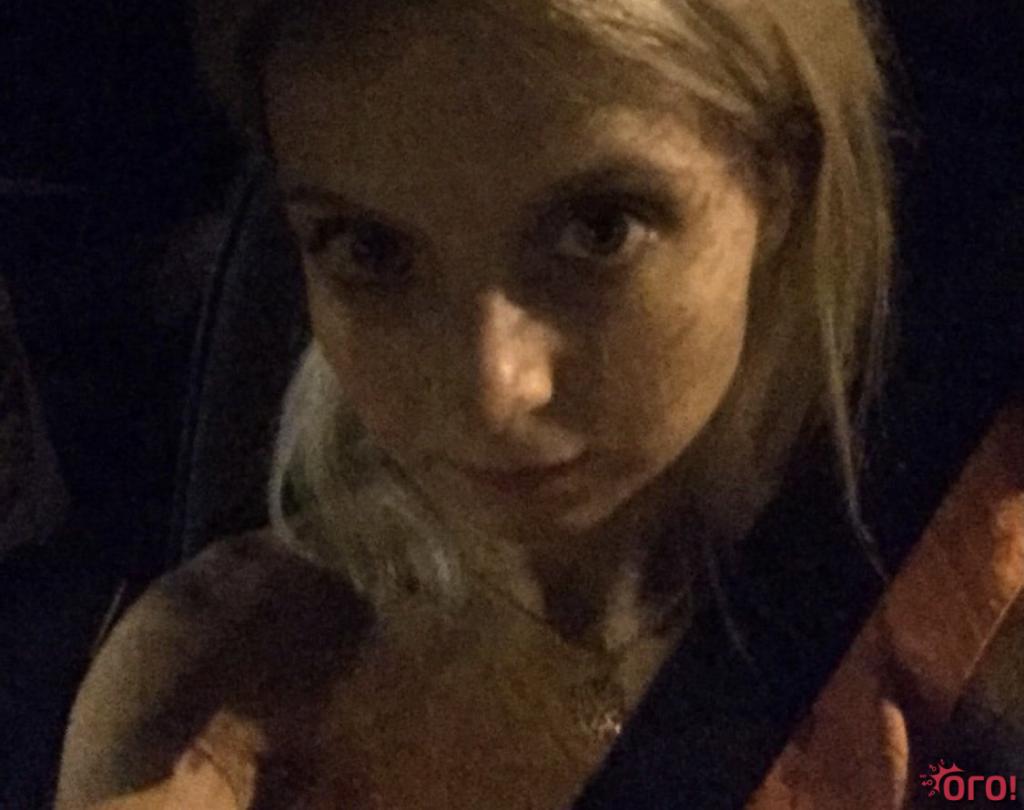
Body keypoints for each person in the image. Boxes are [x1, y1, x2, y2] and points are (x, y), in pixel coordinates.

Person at [53, 1, 1024, 808]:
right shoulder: (204, 691)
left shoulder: (970, 605)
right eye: (368, 250)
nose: (494, 393)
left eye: (599, 229)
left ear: (781, 183)